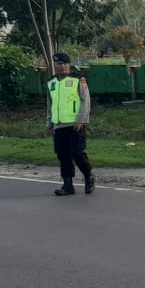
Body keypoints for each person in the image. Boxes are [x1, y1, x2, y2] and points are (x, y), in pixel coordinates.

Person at [46, 51, 94, 196]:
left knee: (77, 153)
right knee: (63, 155)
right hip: (59, 124)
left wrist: (82, 119)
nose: (63, 67)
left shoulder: (78, 79)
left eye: (66, 64)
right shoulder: (51, 82)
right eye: (59, 64)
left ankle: (89, 176)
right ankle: (68, 185)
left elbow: (86, 100)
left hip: (75, 123)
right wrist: (49, 123)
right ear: (55, 65)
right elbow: (50, 104)